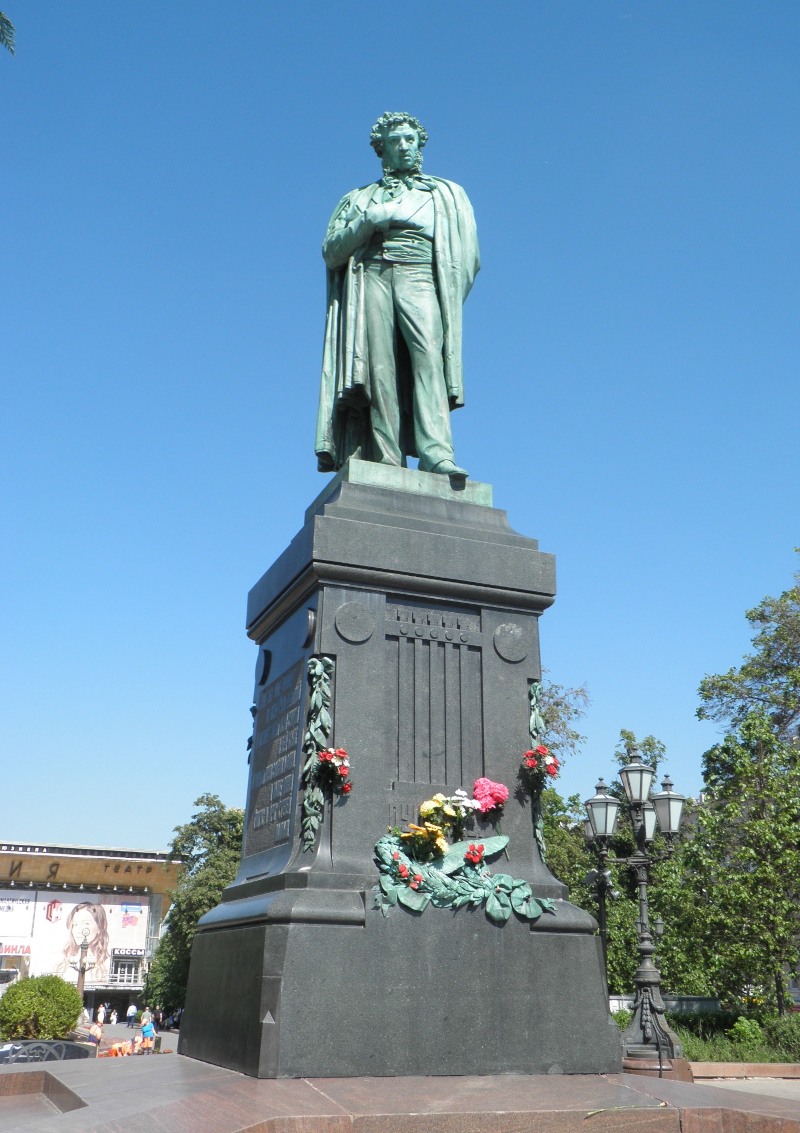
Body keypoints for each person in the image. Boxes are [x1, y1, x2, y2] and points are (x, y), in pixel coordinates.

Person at [315, 112, 480, 481]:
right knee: (379, 370)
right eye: (395, 141)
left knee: (428, 360)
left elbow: (468, 259)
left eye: (410, 139)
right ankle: (386, 459)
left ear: (420, 144)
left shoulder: (446, 194)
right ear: (382, 149)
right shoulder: (358, 199)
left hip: (420, 277)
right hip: (371, 278)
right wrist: (369, 221)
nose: (404, 146)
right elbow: (331, 252)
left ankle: (436, 453)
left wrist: (445, 296)